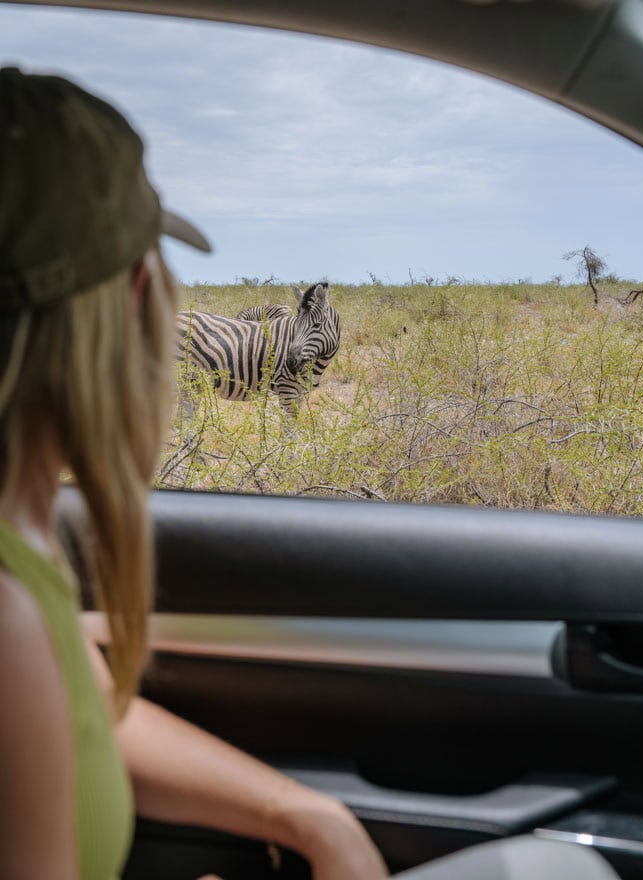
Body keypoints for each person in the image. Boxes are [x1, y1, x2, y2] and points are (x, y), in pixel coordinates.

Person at [0, 67, 388, 880]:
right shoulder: (7, 611)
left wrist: (304, 813)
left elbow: (83, 716)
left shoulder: (21, 541)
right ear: (137, 292)